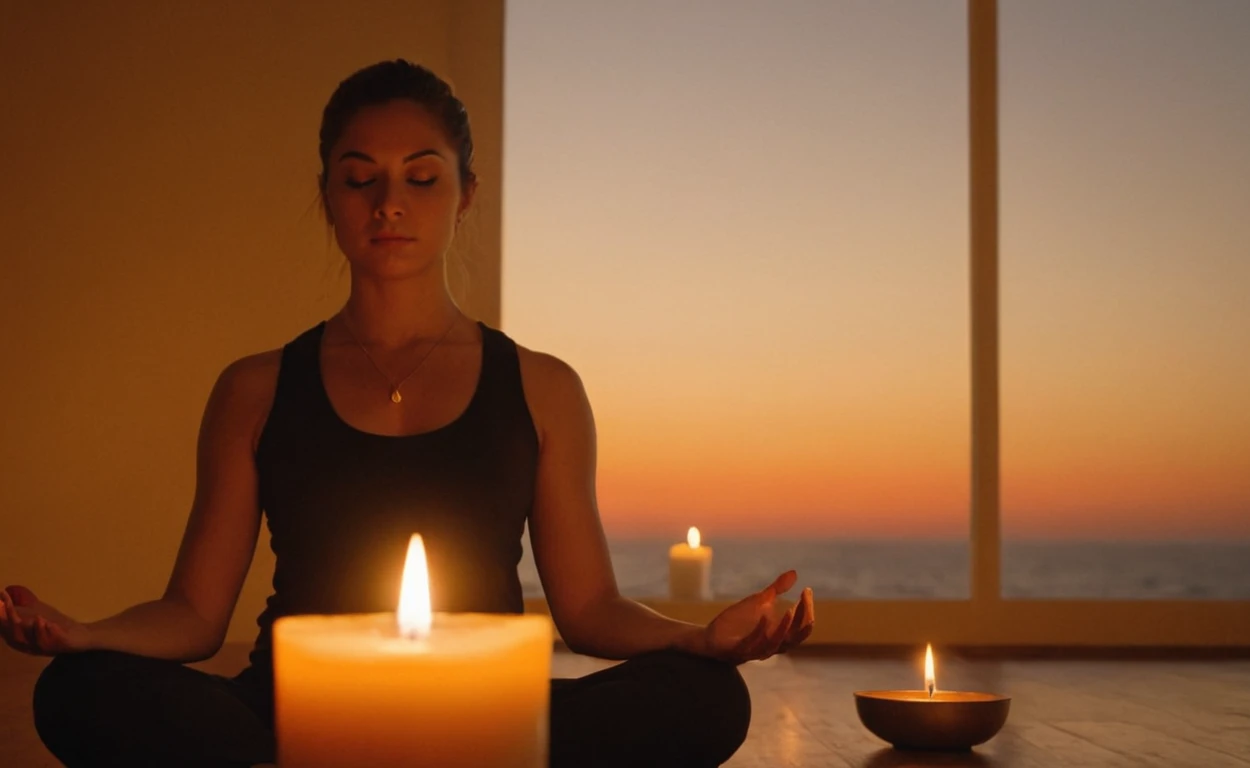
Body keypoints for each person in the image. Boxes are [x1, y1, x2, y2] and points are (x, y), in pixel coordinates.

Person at [0, 59, 815, 768]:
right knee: (79, 693)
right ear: (328, 195)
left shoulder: (542, 386)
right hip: (293, 711)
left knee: (709, 699)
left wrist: (701, 641)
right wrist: (84, 634)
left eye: (421, 177)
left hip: (486, 711)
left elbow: (590, 610)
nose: (389, 202)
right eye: (361, 178)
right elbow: (194, 616)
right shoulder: (255, 387)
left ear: (466, 194)